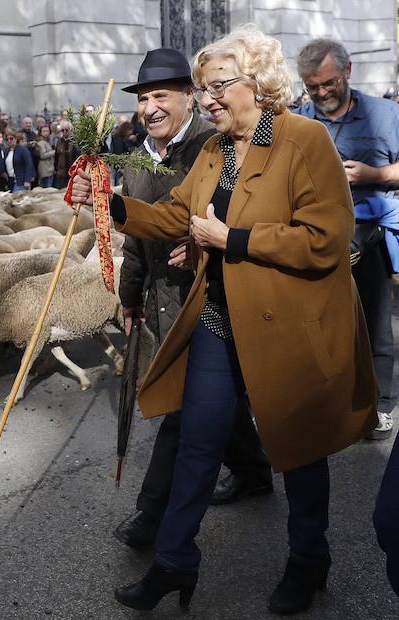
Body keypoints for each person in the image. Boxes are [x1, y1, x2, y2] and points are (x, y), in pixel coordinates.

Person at [72, 26, 377, 615]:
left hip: (287, 324)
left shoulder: (303, 139)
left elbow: (326, 238)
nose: (207, 98)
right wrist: (108, 204)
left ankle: (308, 560)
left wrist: (232, 239)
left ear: (257, 83)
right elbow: (172, 215)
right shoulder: (214, 151)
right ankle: (172, 562)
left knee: (299, 447)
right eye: (203, 88)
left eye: (218, 86)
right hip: (218, 318)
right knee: (197, 440)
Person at [111, 47, 272, 553]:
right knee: (214, 397)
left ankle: (153, 515)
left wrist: (205, 241)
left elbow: (244, 213)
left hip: (210, 293)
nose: (150, 108)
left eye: (161, 96)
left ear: (188, 97)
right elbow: (138, 235)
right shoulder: (138, 158)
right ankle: (253, 470)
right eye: (143, 99)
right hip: (161, 295)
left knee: (185, 406)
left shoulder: (213, 144)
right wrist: (130, 294)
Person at [293, 39, 399, 441]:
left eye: (329, 83)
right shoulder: (297, 122)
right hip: (312, 238)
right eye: (313, 86)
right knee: (314, 326)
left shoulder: (386, 115)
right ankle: (322, 402)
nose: (321, 93)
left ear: (348, 71)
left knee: (374, 325)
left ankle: (379, 404)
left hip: (369, 238)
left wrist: (375, 175)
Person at [53, 119, 79, 188]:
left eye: (66, 130)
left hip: (73, 172)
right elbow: (56, 157)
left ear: (70, 130)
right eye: (62, 130)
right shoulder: (59, 142)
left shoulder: (75, 142)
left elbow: (77, 157)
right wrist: (56, 169)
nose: (64, 132)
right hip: (61, 173)